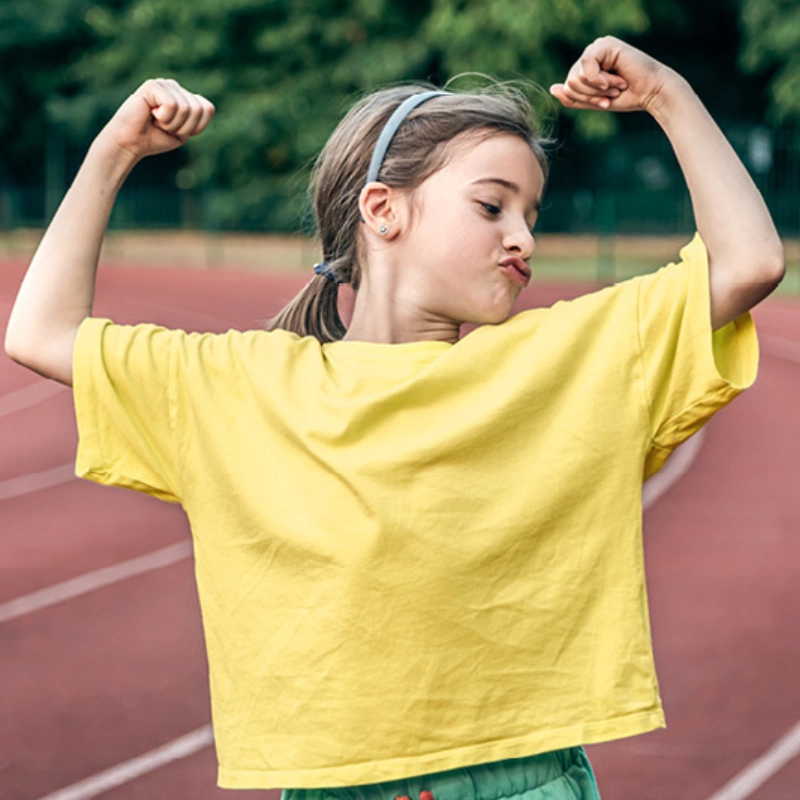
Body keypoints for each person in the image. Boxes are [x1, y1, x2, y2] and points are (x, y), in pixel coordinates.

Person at [5, 36, 783, 800]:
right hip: (331, 786)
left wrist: (667, 96)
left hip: (524, 781)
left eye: (532, 213)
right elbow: (38, 333)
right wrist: (115, 150)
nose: (524, 237)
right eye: (492, 205)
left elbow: (748, 262)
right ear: (382, 210)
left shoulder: (562, 360)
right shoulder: (247, 386)